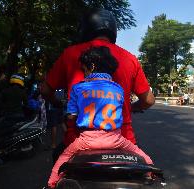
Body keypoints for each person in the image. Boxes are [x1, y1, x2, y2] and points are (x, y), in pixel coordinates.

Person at [41, 9, 155, 156]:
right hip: (122, 142)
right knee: (145, 166)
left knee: (58, 158)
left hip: (79, 143)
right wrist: (129, 108)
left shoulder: (70, 54)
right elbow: (149, 100)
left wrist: (57, 103)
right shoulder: (130, 58)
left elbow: (45, 90)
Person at [48, 46, 153, 188]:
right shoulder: (118, 88)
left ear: (91, 66)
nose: (84, 74)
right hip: (116, 140)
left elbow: (71, 117)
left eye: (84, 70)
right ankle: (152, 173)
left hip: (86, 141)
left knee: (63, 158)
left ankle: (51, 183)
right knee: (143, 156)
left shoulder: (78, 88)